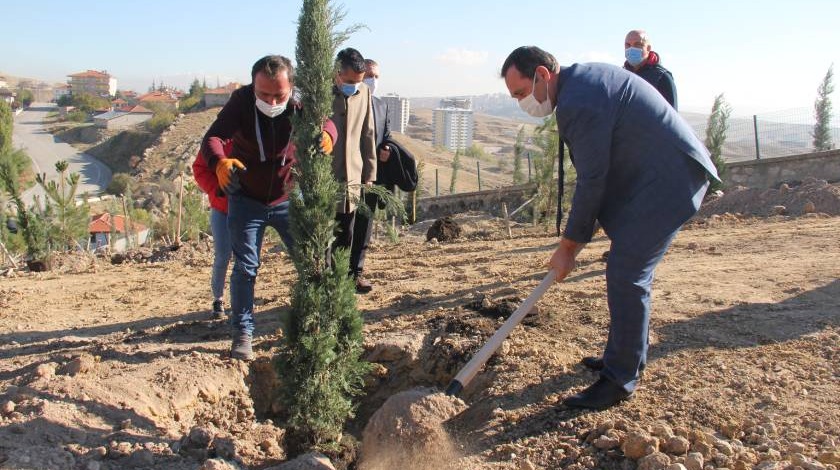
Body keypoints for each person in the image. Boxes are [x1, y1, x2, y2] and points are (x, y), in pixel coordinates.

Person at [501, 46, 719, 409]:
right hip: (651, 180)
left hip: (669, 181)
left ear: (542, 74)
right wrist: (576, 238)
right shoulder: (579, 84)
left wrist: (569, 247)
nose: (524, 103)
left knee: (627, 271)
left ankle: (619, 380)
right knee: (624, 267)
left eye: (522, 93)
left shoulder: (580, 99)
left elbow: (592, 179)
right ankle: (624, 355)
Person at [201, 55, 337, 361]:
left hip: (288, 198)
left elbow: (326, 121)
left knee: (311, 260)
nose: (272, 101)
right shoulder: (240, 101)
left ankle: (316, 325)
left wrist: (329, 135)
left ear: (291, 87)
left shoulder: (298, 103)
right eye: (264, 95)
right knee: (246, 267)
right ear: (254, 86)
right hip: (246, 199)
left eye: (279, 95)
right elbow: (213, 137)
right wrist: (219, 161)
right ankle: (243, 333)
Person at [330, 48, 376, 280]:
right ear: (337, 74)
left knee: (347, 233)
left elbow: (368, 133)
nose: (353, 86)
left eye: (358, 82)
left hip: (352, 177)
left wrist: (369, 172)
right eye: (349, 81)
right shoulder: (321, 94)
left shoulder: (364, 92)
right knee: (325, 234)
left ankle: (345, 279)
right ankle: (325, 280)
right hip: (326, 175)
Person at [349, 58, 391, 294]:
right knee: (345, 225)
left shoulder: (381, 105)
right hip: (347, 174)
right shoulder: (349, 101)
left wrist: (387, 149)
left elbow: (386, 135)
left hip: (371, 175)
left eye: (376, 76)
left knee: (364, 225)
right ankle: (338, 273)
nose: (372, 81)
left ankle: (356, 273)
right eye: (368, 76)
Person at [192, 141, 233, 319]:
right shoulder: (216, 141)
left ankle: (242, 299)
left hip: (249, 209)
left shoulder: (253, 134)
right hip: (222, 208)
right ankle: (218, 299)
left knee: (246, 258)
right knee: (222, 255)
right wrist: (217, 189)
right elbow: (200, 168)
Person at [624, 29, 678, 109]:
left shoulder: (662, 78)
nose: (632, 49)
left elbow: (671, 118)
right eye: (628, 45)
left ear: (648, 48)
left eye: (637, 44)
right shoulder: (621, 76)